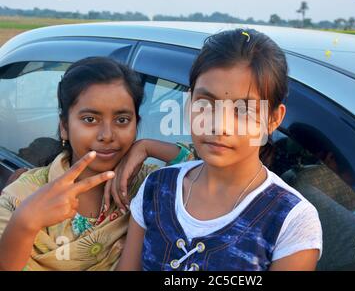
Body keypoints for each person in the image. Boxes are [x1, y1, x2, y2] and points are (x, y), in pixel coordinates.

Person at [118, 29, 322, 271]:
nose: (219, 126)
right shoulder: (157, 188)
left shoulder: (290, 220)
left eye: (243, 110)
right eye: (206, 104)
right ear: (189, 102)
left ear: (273, 119)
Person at [0, 57, 194, 271]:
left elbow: (211, 170)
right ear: (64, 126)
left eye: (122, 120)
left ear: (136, 125)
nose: (107, 135)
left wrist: (147, 147)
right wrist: (25, 224)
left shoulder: (148, 186)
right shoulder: (23, 195)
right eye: (90, 119)